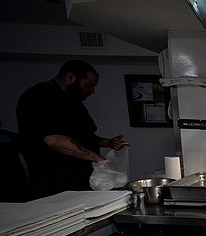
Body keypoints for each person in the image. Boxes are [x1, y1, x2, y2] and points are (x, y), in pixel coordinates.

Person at [16, 60, 126, 199]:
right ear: (70, 77)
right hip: (55, 186)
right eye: (89, 85)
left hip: (81, 182)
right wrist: (99, 160)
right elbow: (54, 139)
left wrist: (108, 143)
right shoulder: (39, 96)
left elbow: (82, 136)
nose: (92, 91)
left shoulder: (73, 100)